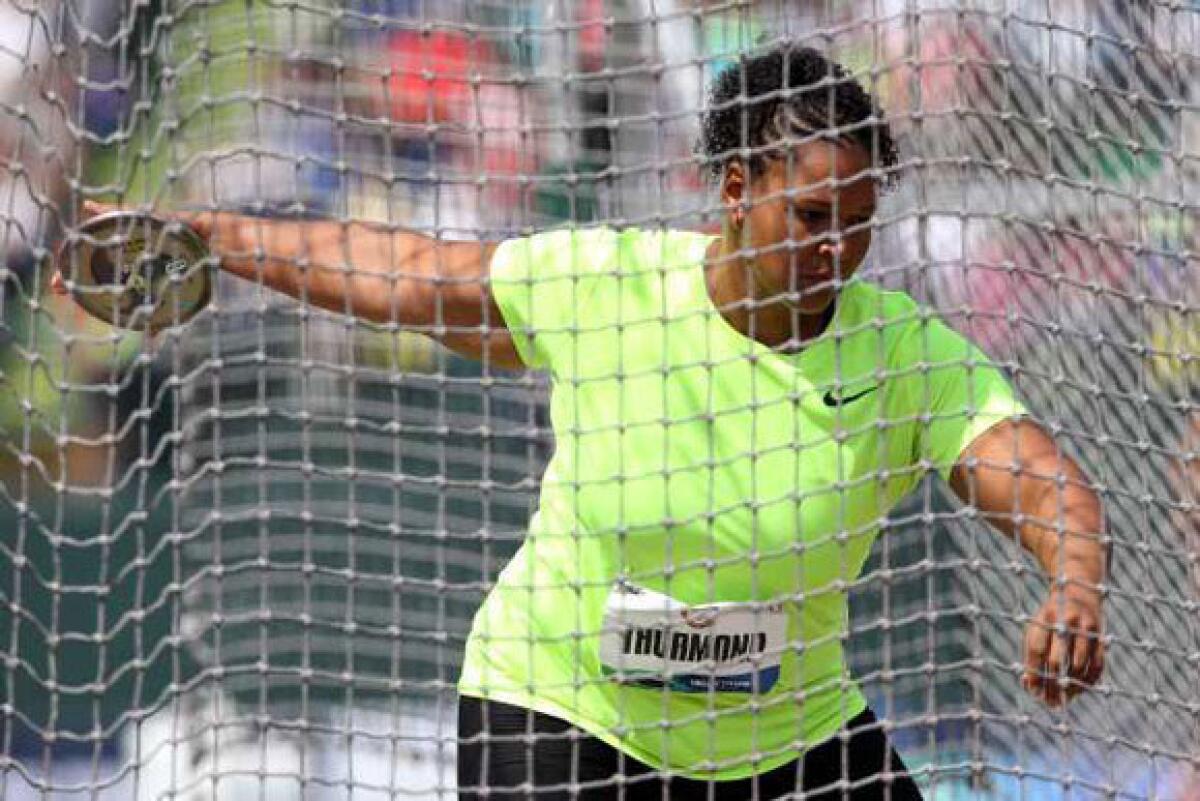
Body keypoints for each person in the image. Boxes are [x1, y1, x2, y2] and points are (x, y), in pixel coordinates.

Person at [54, 44, 1107, 801]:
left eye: (861, 224)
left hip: (789, 734)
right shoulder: (604, 286)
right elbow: (409, 277)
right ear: (735, 190)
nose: (841, 249)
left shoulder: (907, 351)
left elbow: (1040, 476)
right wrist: (213, 233)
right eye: (814, 218)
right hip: (560, 721)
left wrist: (1073, 582)